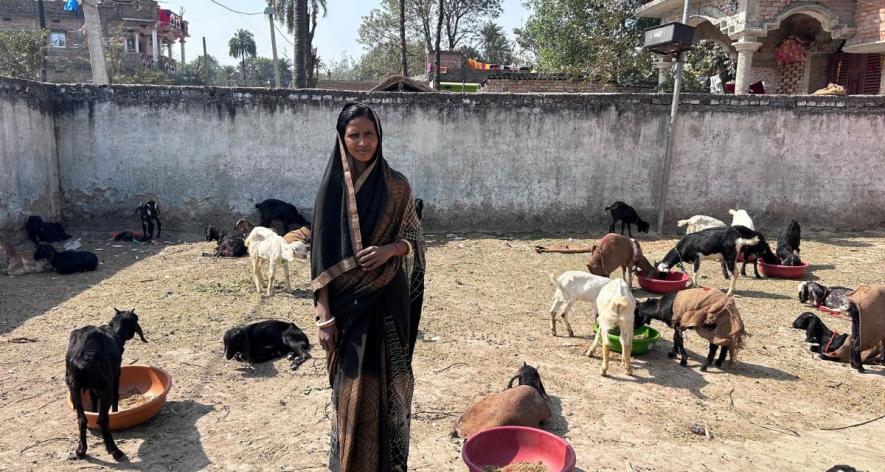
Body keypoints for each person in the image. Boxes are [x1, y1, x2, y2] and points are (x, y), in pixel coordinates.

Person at [310, 103, 425, 471]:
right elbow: (321, 257)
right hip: (345, 309)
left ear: (380, 136)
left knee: (391, 382)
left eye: (369, 134)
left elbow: (415, 239)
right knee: (352, 389)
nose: (363, 142)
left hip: (388, 300)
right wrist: (324, 313)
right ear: (342, 140)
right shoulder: (331, 192)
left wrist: (392, 249)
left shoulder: (397, 185)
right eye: (354, 135)